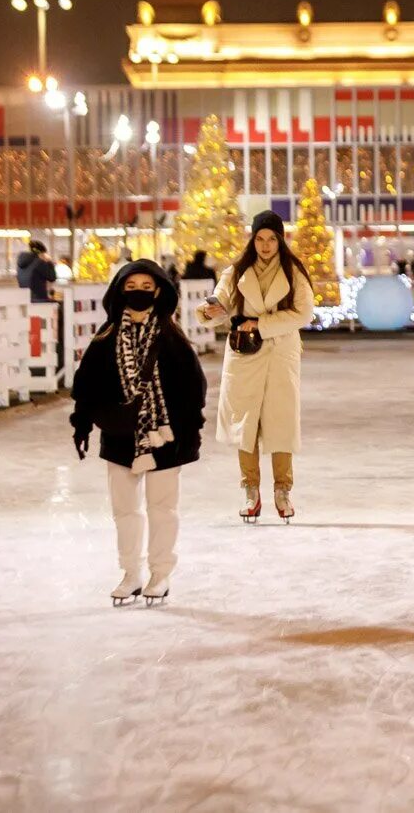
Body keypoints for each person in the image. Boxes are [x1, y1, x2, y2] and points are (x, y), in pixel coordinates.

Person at [70, 261, 207, 606]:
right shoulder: (106, 338)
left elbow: (194, 388)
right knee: (125, 509)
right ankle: (131, 573)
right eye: (131, 286)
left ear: (158, 291)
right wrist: (82, 423)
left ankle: (160, 573)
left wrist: (190, 430)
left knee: (162, 508)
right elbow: (87, 385)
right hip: (119, 435)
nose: (139, 292)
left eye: (147, 285)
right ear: (119, 290)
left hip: (165, 437)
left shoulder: (172, 340)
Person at [198, 210, 315, 524]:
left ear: (280, 240)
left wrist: (261, 323)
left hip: (279, 353)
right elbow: (222, 301)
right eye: (260, 239)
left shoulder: (293, 273)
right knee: (244, 424)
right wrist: (211, 310)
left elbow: (304, 314)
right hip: (245, 354)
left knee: (280, 423)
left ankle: (282, 489)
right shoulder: (237, 271)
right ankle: (250, 489)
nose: (265, 245)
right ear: (253, 240)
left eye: (271, 239)